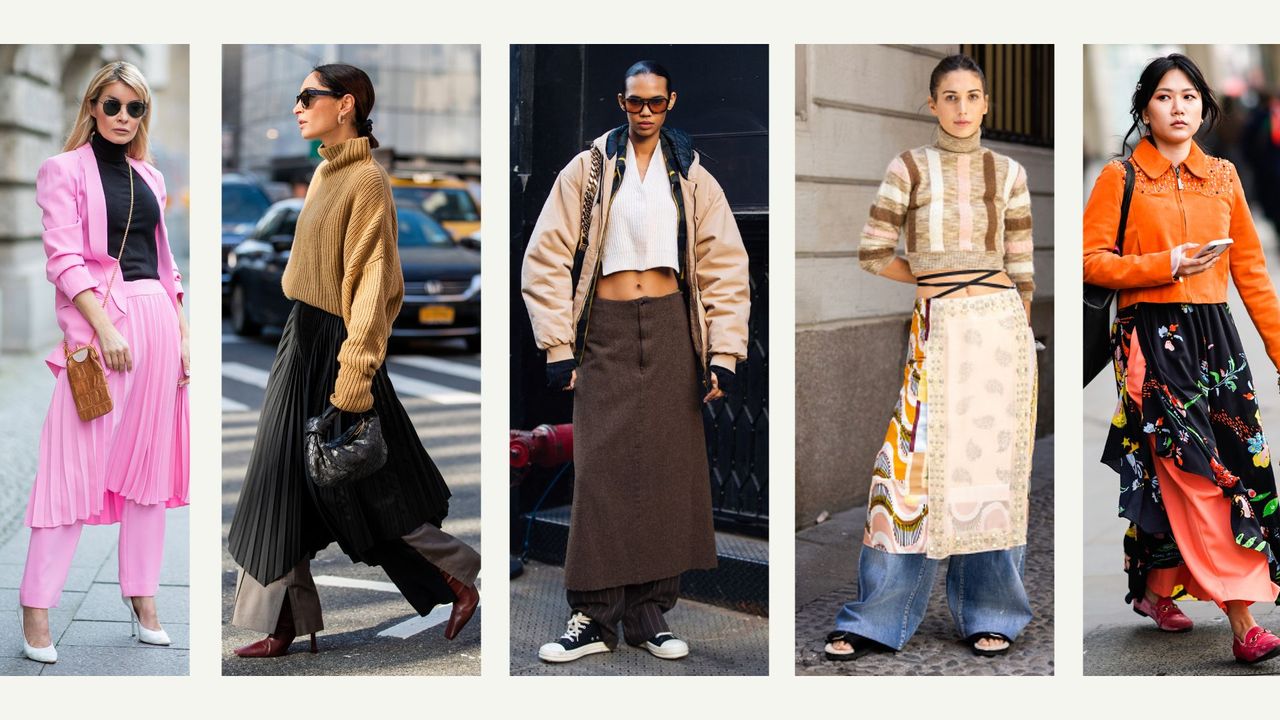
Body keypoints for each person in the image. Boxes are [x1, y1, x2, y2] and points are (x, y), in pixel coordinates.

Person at [225, 64, 480, 658]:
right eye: (295, 97)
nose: (296, 106)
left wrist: (354, 375)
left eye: (307, 96)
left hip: (338, 346)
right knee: (278, 483)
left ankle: (455, 574)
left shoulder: (368, 180)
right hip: (300, 336)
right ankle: (286, 623)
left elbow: (374, 286)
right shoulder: (321, 173)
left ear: (346, 105)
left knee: (370, 486)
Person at [521, 60, 750, 662]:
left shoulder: (692, 173)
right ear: (619, 103)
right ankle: (593, 618)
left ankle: (650, 617)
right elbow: (544, 256)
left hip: (674, 326)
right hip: (607, 329)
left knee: (669, 472)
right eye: (633, 103)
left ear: (670, 102)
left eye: (655, 103)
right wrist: (557, 346)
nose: (644, 113)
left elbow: (725, 264)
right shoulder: (591, 168)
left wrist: (723, 353)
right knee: (600, 473)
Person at [826, 54, 1038, 661]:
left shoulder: (1010, 173)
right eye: (950, 97)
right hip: (937, 331)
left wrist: (1023, 340)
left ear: (987, 103)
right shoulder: (910, 168)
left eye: (973, 96)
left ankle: (991, 613)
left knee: (992, 476)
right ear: (932, 104)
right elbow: (872, 251)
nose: (963, 108)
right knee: (904, 473)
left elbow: (1022, 266)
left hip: (1000, 338)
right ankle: (875, 616)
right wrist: (922, 282)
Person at [1084, 53, 1280, 664]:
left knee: (1225, 462)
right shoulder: (1120, 178)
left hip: (1216, 341)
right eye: (1165, 97)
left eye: (1189, 97)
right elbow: (1091, 261)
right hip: (1150, 339)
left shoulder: (1222, 175)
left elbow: (1249, 269)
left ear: (1205, 106)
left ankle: (1155, 586)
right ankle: (1244, 619)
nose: (1178, 108)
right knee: (1199, 472)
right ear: (1144, 107)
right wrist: (1165, 265)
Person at [17, 60, 189, 664]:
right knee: (70, 466)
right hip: (100, 335)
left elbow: (164, 264)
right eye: (112, 105)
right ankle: (36, 607)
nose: (122, 117)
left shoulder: (151, 175)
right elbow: (64, 261)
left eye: (134, 108)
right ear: (92, 107)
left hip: (159, 325)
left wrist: (184, 335)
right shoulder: (61, 171)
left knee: (149, 473)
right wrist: (102, 327)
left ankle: (143, 598)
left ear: (144, 114)